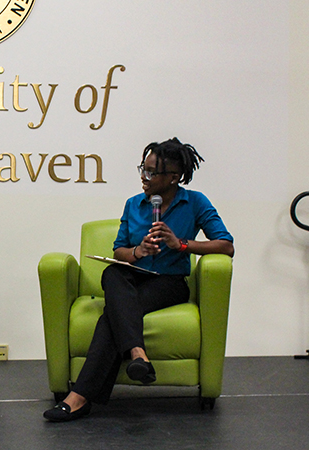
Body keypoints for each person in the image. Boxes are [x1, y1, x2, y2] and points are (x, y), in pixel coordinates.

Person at [43, 137, 234, 422]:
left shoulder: (195, 202)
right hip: (134, 276)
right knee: (112, 272)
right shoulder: (133, 204)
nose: (144, 177)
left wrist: (180, 244)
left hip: (169, 283)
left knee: (112, 316)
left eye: (151, 172)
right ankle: (138, 354)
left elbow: (225, 245)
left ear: (173, 177)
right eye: (142, 169)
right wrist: (138, 251)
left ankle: (79, 397)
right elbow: (119, 250)